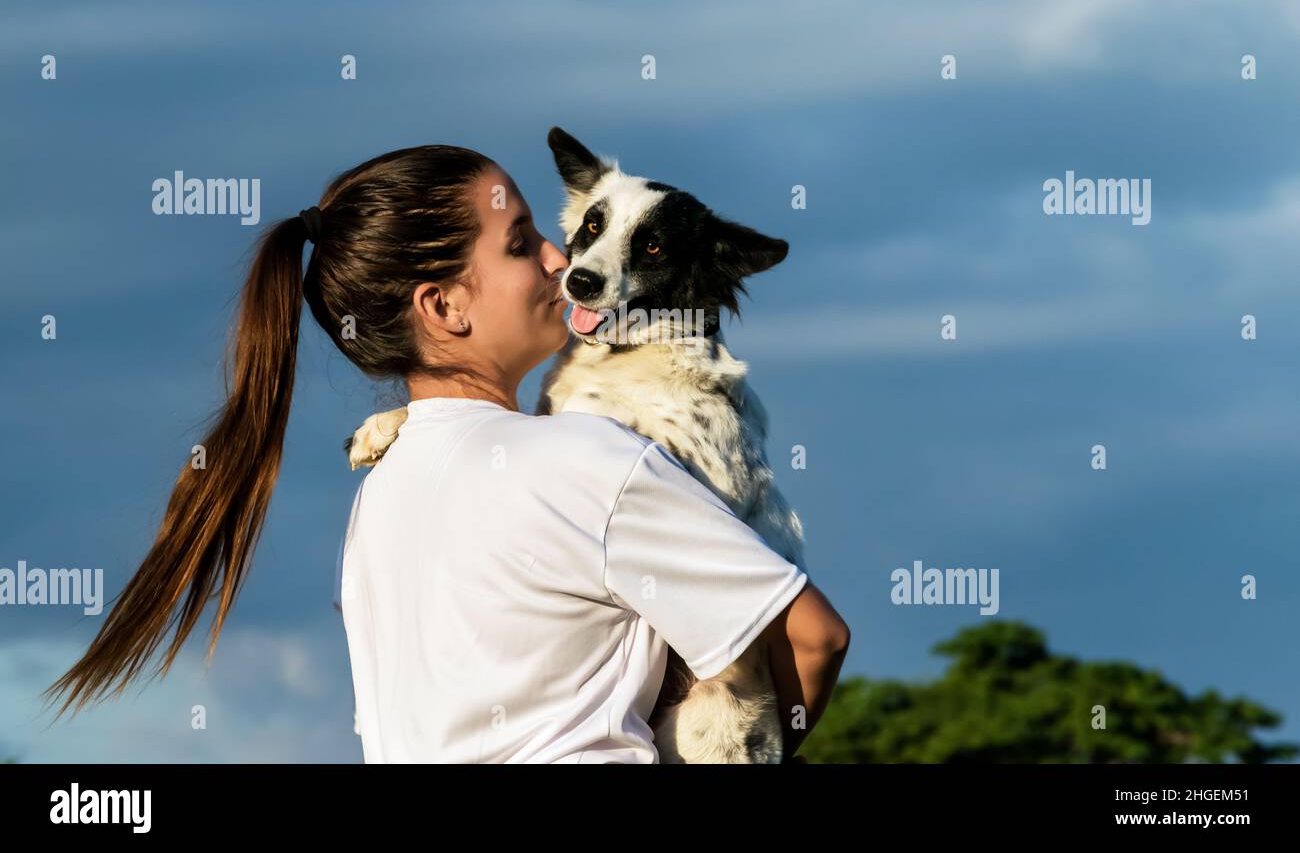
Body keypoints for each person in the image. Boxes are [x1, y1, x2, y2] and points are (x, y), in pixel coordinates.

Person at [43, 143, 851, 762]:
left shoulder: (380, 493)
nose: (560, 261)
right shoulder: (591, 461)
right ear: (442, 306)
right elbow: (816, 639)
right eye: (520, 243)